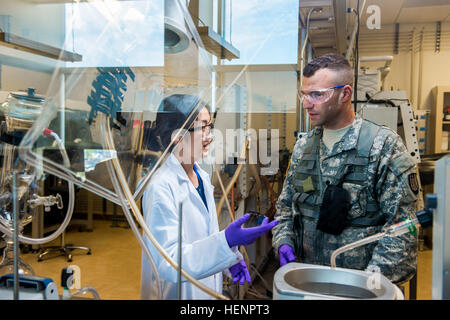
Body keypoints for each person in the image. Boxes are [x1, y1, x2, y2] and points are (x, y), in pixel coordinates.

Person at [272, 53, 419, 284]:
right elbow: (285, 209)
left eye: (317, 95)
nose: (306, 103)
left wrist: (366, 286)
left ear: (345, 94)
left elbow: (403, 231)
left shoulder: (384, 148)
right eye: (304, 94)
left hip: (362, 289)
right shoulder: (303, 148)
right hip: (308, 285)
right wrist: (283, 241)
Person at [140, 94, 278, 299]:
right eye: (202, 127)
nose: (210, 135)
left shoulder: (200, 177)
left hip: (204, 290)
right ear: (178, 136)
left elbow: (202, 240)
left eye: (210, 127)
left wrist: (227, 258)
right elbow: (168, 263)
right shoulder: (160, 188)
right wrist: (225, 241)